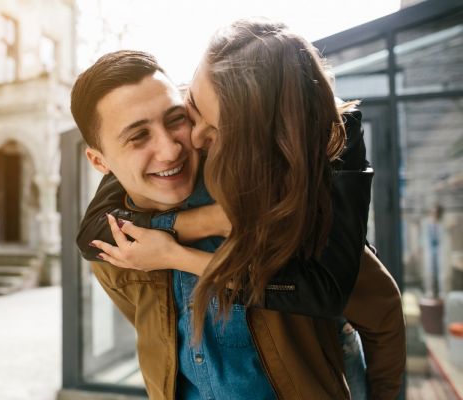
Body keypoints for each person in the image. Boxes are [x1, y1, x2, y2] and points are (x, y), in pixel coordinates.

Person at [71, 21, 404, 400]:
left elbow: (380, 310)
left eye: (177, 118)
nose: (174, 148)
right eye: (138, 136)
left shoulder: (274, 205)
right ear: (100, 162)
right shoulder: (117, 248)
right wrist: (184, 227)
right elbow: (160, 341)